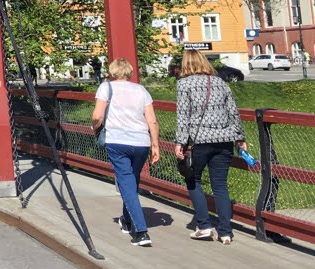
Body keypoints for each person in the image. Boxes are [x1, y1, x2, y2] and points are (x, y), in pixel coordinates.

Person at [175, 48, 247, 245]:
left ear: (186, 64)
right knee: (220, 185)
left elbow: (183, 116)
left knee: (193, 180)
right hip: (224, 141)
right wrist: (239, 138)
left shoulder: (184, 84)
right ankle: (225, 232)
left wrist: (180, 142)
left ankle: (204, 226)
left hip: (199, 142)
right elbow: (233, 111)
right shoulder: (219, 82)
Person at [92, 57, 160, 247]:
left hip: (117, 141)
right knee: (131, 180)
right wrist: (155, 144)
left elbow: (97, 115)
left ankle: (141, 231)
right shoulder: (141, 90)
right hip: (141, 142)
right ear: (129, 72)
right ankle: (127, 219)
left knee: (126, 182)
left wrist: (95, 127)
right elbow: (152, 120)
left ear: (112, 72)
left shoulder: (106, 88)